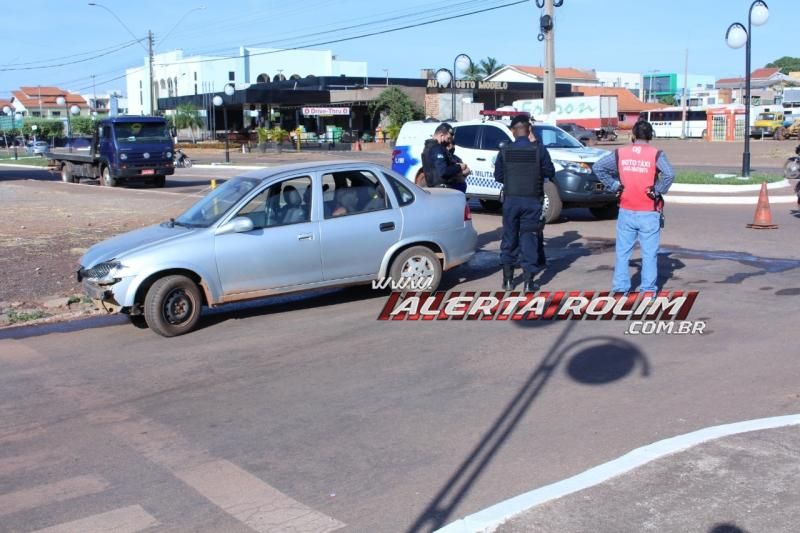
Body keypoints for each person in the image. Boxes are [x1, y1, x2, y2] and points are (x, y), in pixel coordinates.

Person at [593, 119, 675, 293]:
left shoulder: (620, 153)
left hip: (626, 210)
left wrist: (614, 185)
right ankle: (648, 292)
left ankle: (620, 290)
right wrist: (657, 190)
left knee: (622, 254)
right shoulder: (656, 154)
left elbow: (599, 167)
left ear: (633, 135)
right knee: (649, 255)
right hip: (649, 211)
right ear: (651, 136)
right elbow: (669, 174)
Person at [494, 115, 555, 291]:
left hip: (511, 200)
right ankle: (528, 283)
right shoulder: (539, 150)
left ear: (513, 131)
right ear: (529, 131)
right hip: (532, 201)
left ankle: (507, 281)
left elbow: (498, 176)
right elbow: (550, 171)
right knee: (529, 239)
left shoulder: (504, 150)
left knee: (509, 238)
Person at [421, 123, 469, 190]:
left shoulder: (428, 147)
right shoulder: (437, 148)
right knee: (461, 185)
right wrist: (459, 167)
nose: (449, 141)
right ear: (442, 136)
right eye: (448, 138)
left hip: (436, 187)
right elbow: (443, 171)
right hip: (442, 188)